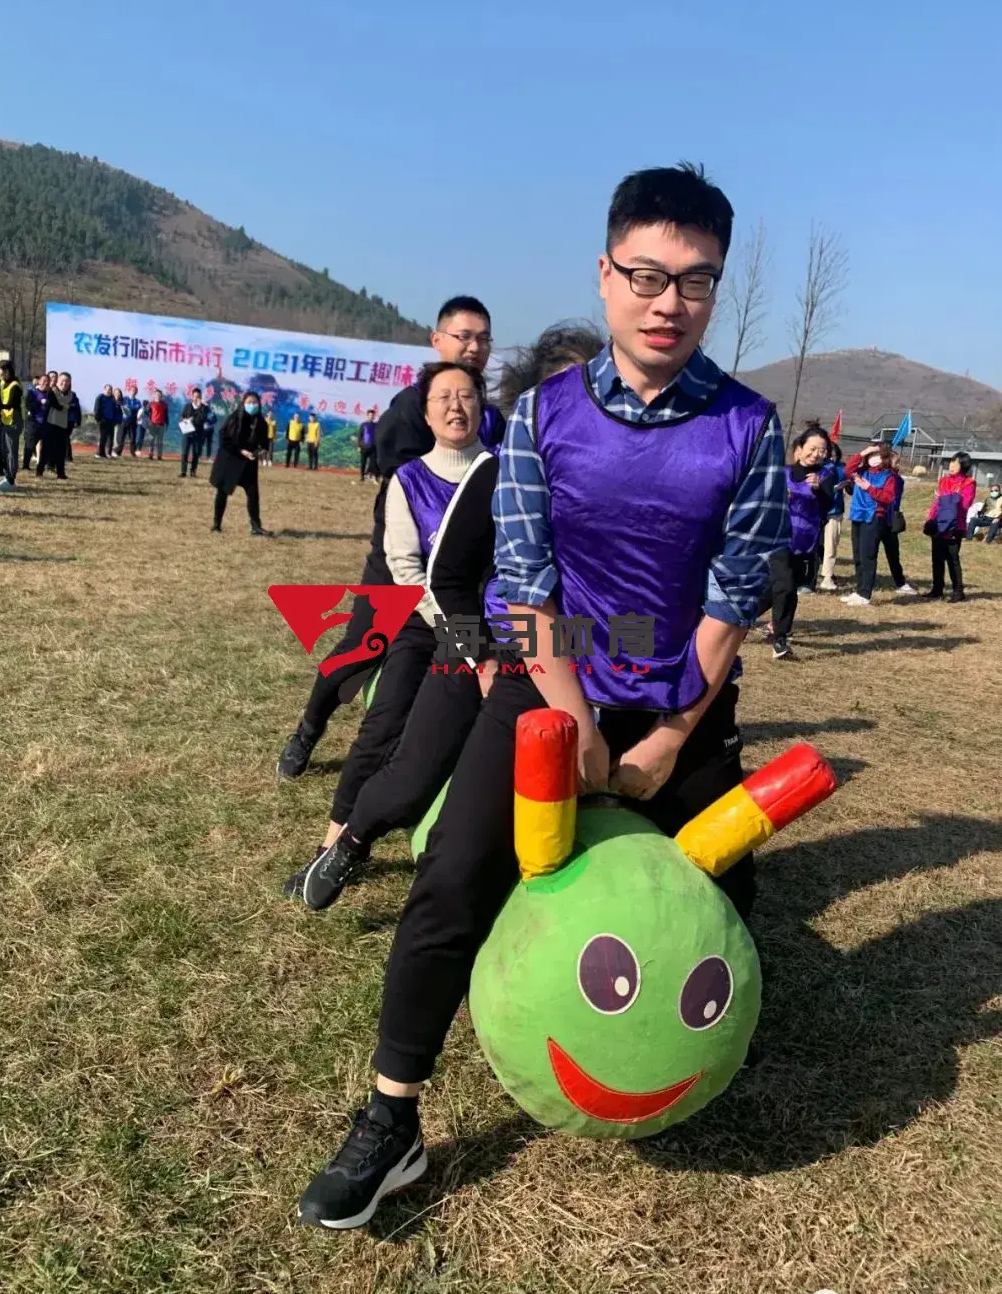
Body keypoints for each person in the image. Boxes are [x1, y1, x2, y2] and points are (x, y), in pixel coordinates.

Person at [296, 164, 790, 1230]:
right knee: (454, 874)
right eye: (646, 275)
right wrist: (573, 724)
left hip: (681, 696)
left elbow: (735, 594)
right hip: (545, 681)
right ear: (605, 275)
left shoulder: (751, 427)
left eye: (696, 280)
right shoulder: (542, 416)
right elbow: (523, 581)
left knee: (729, 887)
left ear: (716, 287)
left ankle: (693, 1043)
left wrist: (666, 739)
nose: (669, 302)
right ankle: (392, 1118)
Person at [295, 326, 607, 910]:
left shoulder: (621, 482)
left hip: (575, 650)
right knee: (413, 774)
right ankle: (350, 841)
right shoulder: (497, 473)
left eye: (596, 391)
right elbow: (443, 580)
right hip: (484, 646)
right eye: (563, 394)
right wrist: (480, 657)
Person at [291, 362, 491, 907]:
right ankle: (331, 848)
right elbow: (406, 570)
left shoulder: (501, 473)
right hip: (423, 625)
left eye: (467, 395)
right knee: (381, 730)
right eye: (443, 397)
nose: (456, 406)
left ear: (481, 406)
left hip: (487, 634)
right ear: (425, 413)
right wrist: (457, 632)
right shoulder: (409, 480)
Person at [277, 297, 494, 781]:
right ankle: (309, 729)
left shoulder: (489, 416)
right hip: (404, 563)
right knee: (363, 649)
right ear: (437, 341)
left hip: (463, 573)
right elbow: (408, 495)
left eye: (483, 339)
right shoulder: (409, 411)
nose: (474, 347)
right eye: (463, 336)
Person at [759, 424, 835, 658]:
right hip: (779, 538)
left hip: (806, 543)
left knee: (778, 590)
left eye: (822, 450)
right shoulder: (783, 473)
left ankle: (741, 616)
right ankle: (780, 639)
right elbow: (765, 500)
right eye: (812, 448)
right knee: (786, 586)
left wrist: (818, 489)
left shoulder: (826, 476)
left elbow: (828, 506)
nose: (816, 454)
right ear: (799, 450)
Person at [841, 441, 898, 607]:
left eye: (877, 454)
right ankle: (859, 590)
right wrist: (865, 451)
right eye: (871, 455)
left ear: (884, 457)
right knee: (858, 555)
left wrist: (868, 488)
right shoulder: (862, 471)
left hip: (874, 517)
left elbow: (888, 497)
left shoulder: (888, 476)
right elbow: (848, 469)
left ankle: (865, 593)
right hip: (858, 515)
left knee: (868, 556)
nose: (874, 458)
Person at [209, 391, 270, 535]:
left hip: (249, 463)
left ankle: (256, 527)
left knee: (253, 494)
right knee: (222, 493)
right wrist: (241, 451)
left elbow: (264, 443)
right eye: (249, 402)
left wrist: (260, 451)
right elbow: (225, 440)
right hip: (231, 460)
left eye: (255, 402)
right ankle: (216, 524)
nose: (252, 405)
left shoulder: (261, 422)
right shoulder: (235, 418)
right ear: (243, 403)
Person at [924, 453, 977, 602]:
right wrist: (930, 519)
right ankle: (937, 589)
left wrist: (944, 497)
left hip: (954, 525)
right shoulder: (944, 480)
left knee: (952, 559)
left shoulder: (969, 483)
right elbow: (937, 503)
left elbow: (965, 504)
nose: (951, 466)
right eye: (951, 462)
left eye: (956, 463)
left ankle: (958, 592)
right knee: (937, 558)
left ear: (963, 465)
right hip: (939, 523)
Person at [880, 455, 917, 594]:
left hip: (889, 520)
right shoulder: (884, 476)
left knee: (893, 553)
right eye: (896, 462)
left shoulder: (896, 479)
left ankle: (900, 582)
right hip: (878, 518)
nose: (899, 465)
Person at [816, 443, 846, 591]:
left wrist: (847, 484)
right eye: (829, 454)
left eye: (835, 454)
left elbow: (850, 488)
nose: (832, 457)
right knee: (815, 545)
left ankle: (827, 577)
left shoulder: (842, 468)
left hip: (835, 511)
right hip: (817, 510)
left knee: (831, 545)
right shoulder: (819, 467)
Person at [0, 360, 24, 492]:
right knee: (5, 450)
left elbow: (11, 404)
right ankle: (7, 476)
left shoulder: (15, 386)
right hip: (6, 421)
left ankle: (11, 480)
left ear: (6, 371)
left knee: (11, 451)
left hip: (14, 421)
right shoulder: (2, 383)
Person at [36, 372, 72, 479]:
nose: (64, 383)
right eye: (62, 380)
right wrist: (66, 407)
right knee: (46, 450)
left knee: (61, 451)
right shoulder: (51, 391)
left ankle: (61, 473)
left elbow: (73, 406)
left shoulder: (71, 395)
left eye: (67, 381)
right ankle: (39, 471)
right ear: (57, 381)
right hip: (50, 424)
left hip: (62, 425)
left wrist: (66, 406)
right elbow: (56, 405)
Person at [179, 388, 209, 476]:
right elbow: (182, 416)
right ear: (192, 397)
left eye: (198, 397)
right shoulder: (187, 406)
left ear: (201, 397)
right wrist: (184, 420)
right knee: (184, 452)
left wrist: (201, 407)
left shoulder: (204, 408)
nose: (196, 398)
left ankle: (193, 471)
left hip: (198, 433)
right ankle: (183, 472)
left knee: (196, 453)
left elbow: (203, 418)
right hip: (187, 432)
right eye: (195, 396)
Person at [23, 375, 49, 472]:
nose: (45, 383)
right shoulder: (32, 392)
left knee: (42, 445)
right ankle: (25, 466)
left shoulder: (49, 394)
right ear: (39, 382)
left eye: (47, 381)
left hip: (44, 423)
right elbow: (28, 405)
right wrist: (40, 402)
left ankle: (42, 465)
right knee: (30, 444)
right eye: (43, 381)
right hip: (33, 422)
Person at [94, 384, 121, 458]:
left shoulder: (112, 398)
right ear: (104, 389)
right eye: (108, 389)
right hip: (103, 420)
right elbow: (96, 409)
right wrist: (98, 419)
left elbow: (115, 409)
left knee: (110, 438)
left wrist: (115, 420)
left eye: (110, 390)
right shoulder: (100, 397)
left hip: (111, 421)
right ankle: (99, 453)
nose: (109, 391)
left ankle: (106, 453)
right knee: (103, 437)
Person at [115, 387, 139, 456]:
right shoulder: (124, 399)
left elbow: (137, 410)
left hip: (133, 422)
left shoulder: (138, 401)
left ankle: (133, 453)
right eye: (132, 390)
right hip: (123, 421)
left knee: (132, 438)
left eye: (135, 391)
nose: (133, 392)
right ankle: (117, 452)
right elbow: (119, 404)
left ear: (136, 392)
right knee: (121, 438)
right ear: (129, 391)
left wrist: (129, 408)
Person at [146, 391, 168, 460]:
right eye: (157, 394)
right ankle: (150, 454)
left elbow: (166, 415)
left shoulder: (164, 404)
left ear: (161, 396)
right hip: (152, 425)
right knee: (151, 440)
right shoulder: (150, 404)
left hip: (161, 425)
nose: (158, 395)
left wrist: (167, 423)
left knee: (160, 441)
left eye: (159, 394)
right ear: (154, 395)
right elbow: (147, 413)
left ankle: (159, 455)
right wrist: (148, 422)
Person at [357, 415, 378, 480]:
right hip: (364, 447)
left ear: (374, 417)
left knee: (373, 462)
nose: (371, 417)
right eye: (370, 415)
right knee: (363, 462)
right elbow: (360, 436)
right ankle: (362, 476)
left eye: (372, 416)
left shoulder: (375, 425)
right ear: (367, 416)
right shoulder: (363, 424)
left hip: (373, 447)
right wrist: (359, 446)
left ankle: (371, 475)